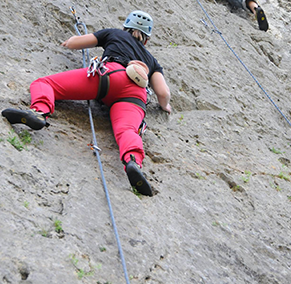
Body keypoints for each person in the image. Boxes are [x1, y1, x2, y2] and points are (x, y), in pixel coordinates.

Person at [1, 10, 171, 196]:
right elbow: (163, 93)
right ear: (146, 40)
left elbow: (74, 43)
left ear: (126, 27)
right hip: (135, 95)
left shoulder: (114, 33)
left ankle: (39, 112)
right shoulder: (152, 61)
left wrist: (67, 42)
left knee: (44, 83)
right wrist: (166, 107)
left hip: (110, 75)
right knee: (127, 131)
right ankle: (133, 161)